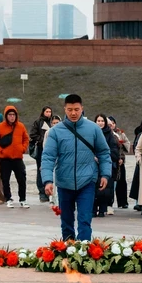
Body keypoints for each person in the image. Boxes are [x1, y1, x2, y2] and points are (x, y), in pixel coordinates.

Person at [41, 95, 111, 240]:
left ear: (82, 109)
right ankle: (69, 247)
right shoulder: (56, 131)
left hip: (87, 181)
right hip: (64, 182)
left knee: (85, 220)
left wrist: (105, 174)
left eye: (76, 109)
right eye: (70, 109)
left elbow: (104, 152)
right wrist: (47, 180)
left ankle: (84, 249)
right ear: (65, 109)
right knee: (66, 221)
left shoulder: (93, 129)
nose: (73, 113)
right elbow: (48, 157)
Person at [0, 105, 30, 208]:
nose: (12, 117)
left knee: (21, 179)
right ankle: (8, 199)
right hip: (5, 158)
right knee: (5, 180)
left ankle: (23, 199)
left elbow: (26, 138)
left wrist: (23, 148)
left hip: (18, 158)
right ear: (6, 116)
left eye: (13, 115)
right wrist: (1, 150)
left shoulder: (21, 126)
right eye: (10, 115)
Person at [93, 114, 119, 218]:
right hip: (93, 165)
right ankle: (93, 209)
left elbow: (114, 151)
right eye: (98, 121)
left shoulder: (110, 135)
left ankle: (103, 209)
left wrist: (102, 157)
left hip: (105, 164)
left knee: (104, 188)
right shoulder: (91, 133)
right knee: (92, 187)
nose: (100, 123)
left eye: (102, 121)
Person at [30, 106, 52, 202]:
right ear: (43, 112)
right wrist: (42, 139)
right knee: (41, 170)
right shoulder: (38, 122)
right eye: (47, 111)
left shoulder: (52, 122)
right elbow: (33, 134)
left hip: (51, 148)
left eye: (50, 112)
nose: (48, 113)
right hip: (41, 149)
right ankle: (42, 192)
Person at [108, 116, 131, 209]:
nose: (112, 125)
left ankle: (123, 202)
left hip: (120, 161)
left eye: (113, 123)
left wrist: (122, 158)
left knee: (122, 182)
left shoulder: (120, 133)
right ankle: (109, 202)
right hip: (110, 161)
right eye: (110, 123)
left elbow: (126, 144)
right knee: (110, 183)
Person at [130, 116, 142, 212]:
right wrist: (139, 159)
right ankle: (138, 202)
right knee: (139, 183)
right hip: (141, 162)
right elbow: (136, 147)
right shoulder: (140, 135)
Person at [43, 115, 62, 205]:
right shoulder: (48, 132)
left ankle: (58, 198)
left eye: (57, 123)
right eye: (53, 123)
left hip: (60, 159)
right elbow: (45, 146)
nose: (55, 124)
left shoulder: (64, 132)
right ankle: (51, 197)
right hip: (52, 159)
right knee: (52, 179)